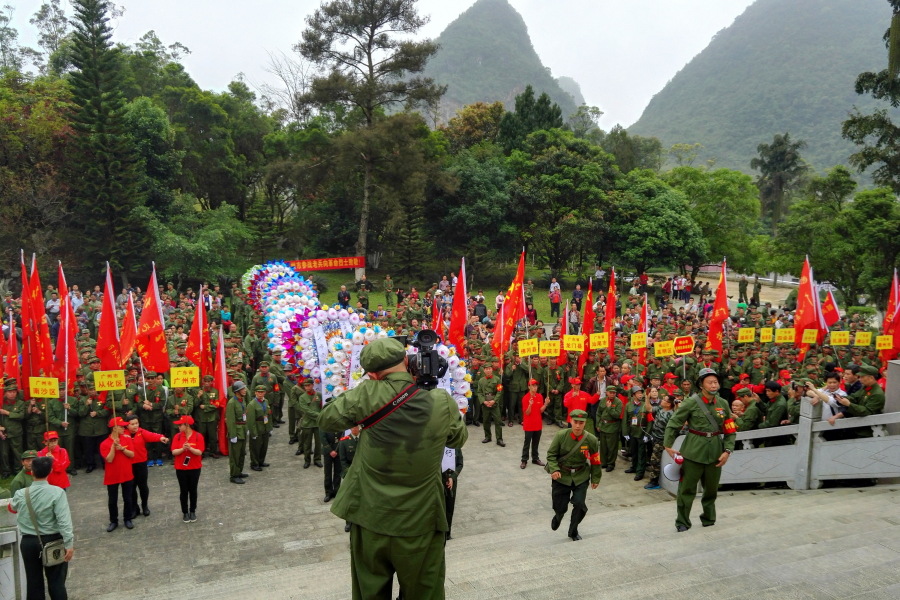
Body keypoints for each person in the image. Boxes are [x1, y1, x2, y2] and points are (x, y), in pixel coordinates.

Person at [317, 337, 468, 600]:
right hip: (420, 520)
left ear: (373, 373)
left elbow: (327, 419)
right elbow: (458, 439)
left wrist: (370, 390)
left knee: (370, 592)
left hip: (370, 518)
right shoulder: (440, 401)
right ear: (408, 362)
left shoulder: (367, 393)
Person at [663, 368, 736, 532]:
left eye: (716, 381)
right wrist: (668, 445)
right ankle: (682, 521)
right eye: (710, 382)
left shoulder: (723, 403)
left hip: (716, 451)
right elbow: (674, 423)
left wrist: (728, 450)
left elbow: (730, 429)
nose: (714, 384)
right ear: (701, 385)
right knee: (686, 490)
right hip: (693, 452)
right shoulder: (691, 402)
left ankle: (709, 518)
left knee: (711, 489)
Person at [7, 456, 75, 600]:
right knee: (56, 581)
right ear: (50, 471)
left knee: (33, 582)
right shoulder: (57, 493)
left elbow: (12, 508)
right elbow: (64, 521)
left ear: (32, 472)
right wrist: (69, 543)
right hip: (52, 541)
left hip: (29, 543)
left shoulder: (21, 493)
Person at [545, 409, 602, 541]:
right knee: (560, 506)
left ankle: (573, 531)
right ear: (570, 421)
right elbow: (551, 454)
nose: (578, 426)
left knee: (579, 504)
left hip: (580, 475)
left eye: (581, 423)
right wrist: (554, 470)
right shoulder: (561, 436)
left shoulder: (591, 440)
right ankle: (558, 516)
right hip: (562, 476)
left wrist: (596, 478)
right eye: (575, 422)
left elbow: (595, 460)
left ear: (585, 423)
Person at [124, 414, 169, 517]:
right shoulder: (123, 434)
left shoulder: (141, 432)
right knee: (131, 488)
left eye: (136, 423)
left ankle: (145, 506)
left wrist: (161, 437)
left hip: (141, 463)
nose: (135, 426)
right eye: (132, 424)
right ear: (127, 425)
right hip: (128, 464)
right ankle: (134, 508)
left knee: (143, 486)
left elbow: (152, 435)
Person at [100, 417, 136, 532]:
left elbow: (132, 454)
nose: (123, 428)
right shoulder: (104, 443)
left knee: (128, 498)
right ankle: (113, 521)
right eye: (121, 426)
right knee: (112, 500)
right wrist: (113, 447)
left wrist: (123, 449)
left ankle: (128, 518)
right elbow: (109, 459)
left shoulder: (126, 439)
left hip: (126, 473)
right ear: (114, 428)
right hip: (112, 475)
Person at [171, 415, 204, 523]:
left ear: (187, 425)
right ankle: (185, 512)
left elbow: (199, 452)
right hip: (181, 468)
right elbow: (174, 452)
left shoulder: (198, 436)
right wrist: (182, 449)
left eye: (180, 425)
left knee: (193, 490)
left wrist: (190, 448)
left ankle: (192, 510)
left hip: (194, 467)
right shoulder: (177, 437)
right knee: (183, 490)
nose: (179, 427)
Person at [225, 380, 250, 484]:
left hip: (242, 429)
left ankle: (239, 471)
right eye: (242, 389)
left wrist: (247, 428)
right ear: (236, 391)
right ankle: (234, 475)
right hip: (236, 431)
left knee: (241, 453)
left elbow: (244, 415)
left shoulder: (241, 400)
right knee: (235, 455)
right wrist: (233, 435)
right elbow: (230, 420)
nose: (244, 390)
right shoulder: (231, 403)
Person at [521, 379, 547, 469]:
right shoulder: (525, 398)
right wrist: (530, 405)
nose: (535, 387)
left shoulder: (540, 396)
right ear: (529, 387)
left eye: (536, 386)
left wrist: (546, 404)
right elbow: (527, 413)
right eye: (533, 386)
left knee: (536, 442)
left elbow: (540, 410)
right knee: (527, 443)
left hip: (538, 424)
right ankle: (524, 460)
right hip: (529, 425)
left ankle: (535, 458)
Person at [338, 425, 359, 533]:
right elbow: (343, 461)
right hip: (349, 474)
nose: (355, 429)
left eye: (357, 427)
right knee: (349, 498)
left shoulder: (363, 440)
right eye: (353, 428)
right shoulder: (344, 441)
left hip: (361, 474)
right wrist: (349, 474)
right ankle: (348, 522)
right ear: (350, 429)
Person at [247, 385, 272, 472]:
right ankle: (254, 463)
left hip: (265, 427)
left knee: (264, 446)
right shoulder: (252, 404)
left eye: (262, 392)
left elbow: (269, 415)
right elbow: (251, 420)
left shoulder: (266, 401)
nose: (260, 394)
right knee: (255, 447)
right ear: (255, 393)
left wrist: (270, 427)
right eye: (258, 392)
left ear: (265, 392)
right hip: (257, 427)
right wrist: (253, 432)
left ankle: (261, 461)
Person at [320, 427, 342, 502]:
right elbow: (322, 438)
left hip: (338, 450)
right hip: (327, 451)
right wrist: (330, 450)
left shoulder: (340, 423)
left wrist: (337, 450)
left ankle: (337, 491)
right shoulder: (324, 424)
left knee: (338, 472)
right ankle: (328, 492)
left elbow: (343, 435)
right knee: (327, 473)